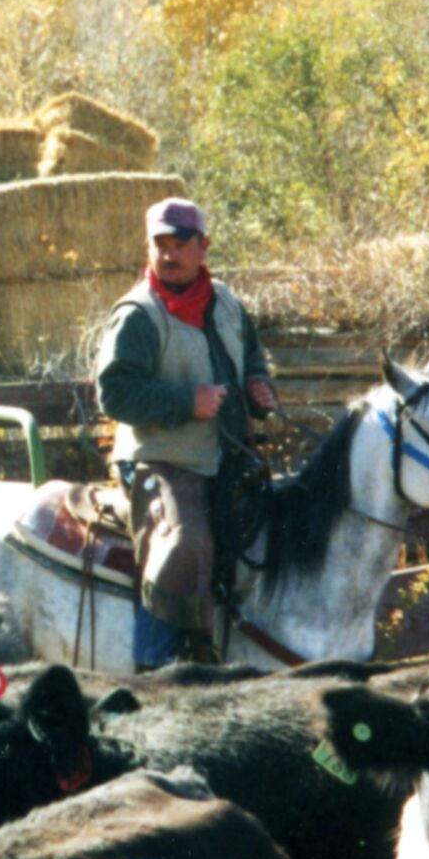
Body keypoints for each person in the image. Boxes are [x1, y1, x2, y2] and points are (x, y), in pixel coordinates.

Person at [94, 198, 278, 670]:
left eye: (180, 245)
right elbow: (114, 395)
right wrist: (186, 402)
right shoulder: (137, 314)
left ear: (204, 247)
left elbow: (252, 355)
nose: (169, 255)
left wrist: (258, 388)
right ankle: (153, 668)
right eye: (161, 245)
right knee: (184, 544)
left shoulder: (227, 301)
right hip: (162, 459)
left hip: (227, 455)